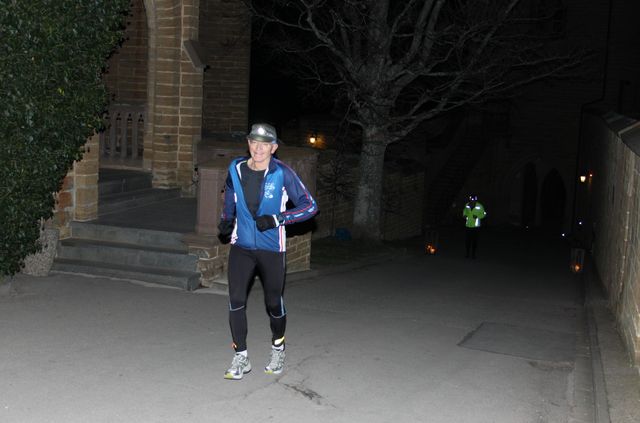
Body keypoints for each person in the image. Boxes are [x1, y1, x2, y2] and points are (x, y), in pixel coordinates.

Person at [217, 123, 318, 380]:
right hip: (241, 245)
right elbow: (230, 193)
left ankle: (278, 347)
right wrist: (226, 219)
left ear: (273, 148)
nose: (258, 149)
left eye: (264, 145)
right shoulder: (236, 168)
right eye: (254, 142)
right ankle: (241, 356)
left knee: (273, 302)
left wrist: (277, 219)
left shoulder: (282, 173)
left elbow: (310, 206)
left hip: (272, 248)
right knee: (235, 300)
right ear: (248, 144)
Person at [463, 194, 486, 258]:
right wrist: (464, 215)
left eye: (473, 200)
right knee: (467, 241)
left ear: (476, 200)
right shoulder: (467, 205)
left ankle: (473, 254)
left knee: (474, 241)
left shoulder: (480, 206)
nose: (472, 201)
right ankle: (467, 254)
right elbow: (464, 211)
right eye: (471, 200)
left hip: (476, 227)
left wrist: (478, 216)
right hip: (468, 225)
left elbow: (484, 214)